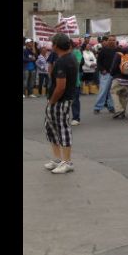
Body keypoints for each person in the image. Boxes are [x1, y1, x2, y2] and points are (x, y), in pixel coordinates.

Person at [43, 33, 79, 174]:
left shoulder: (63, 61)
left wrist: (52, 101)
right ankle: (58, 159)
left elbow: (60, 87)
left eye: (52, 43)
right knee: (51, 128)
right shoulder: (69, 57)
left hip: (60, 101)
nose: (51, 45)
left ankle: (67, 162)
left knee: (62, 129)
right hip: (61, 100)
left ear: (56, 45)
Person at [93, 35, 117, 114]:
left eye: (113, 40)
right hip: (105, 74)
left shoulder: (118, 50)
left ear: (115, 41)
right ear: (107, 41)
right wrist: (102, 69)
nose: (111, 41)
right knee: (103, 91)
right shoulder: (103, 50)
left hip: (115, 74)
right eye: (110, 40)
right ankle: (97, 107)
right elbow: (98, 62)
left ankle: (111, 107)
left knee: (112, 92)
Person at [109, 47, 128, 119]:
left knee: (114, 92)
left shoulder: (118, 55)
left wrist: (112, 74)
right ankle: (122, 112)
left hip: (118, 78)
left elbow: (114, 67)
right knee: (124, 96)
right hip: (127, 79)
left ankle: (119, 109)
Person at [70, 40, 84, 126]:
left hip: (74, 81)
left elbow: (77, 64)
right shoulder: (61, 53)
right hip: (63, 80)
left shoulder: (77, 52)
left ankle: (76, 118)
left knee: (75, 100)